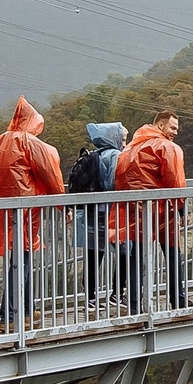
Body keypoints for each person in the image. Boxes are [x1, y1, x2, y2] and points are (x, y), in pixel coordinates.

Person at [0, 97, 64, 325]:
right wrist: (63, 205)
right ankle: (10, 314)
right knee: (21, 262)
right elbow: (50, 175)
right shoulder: (29, 142)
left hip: (2, 210)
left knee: (20, 259)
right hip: (24, 212)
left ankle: (25, 309)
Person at [113, 110, 188, 312]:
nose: (175, 132)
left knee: (137, 257)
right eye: (173, 127)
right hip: (164, 210)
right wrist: (181, 210)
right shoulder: (168, 147)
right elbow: (176, 182)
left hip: (137, 210)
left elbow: (120, 179)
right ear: (161, 126)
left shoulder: (130, 148)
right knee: (173, 254)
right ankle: (178, 300)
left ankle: (135, 304)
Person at [69, 122, 127, 307]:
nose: (125, 143)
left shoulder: (95, 155)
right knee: (126, 252)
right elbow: (113, 183)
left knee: (93, 255)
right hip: (111, 213)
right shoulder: (115, 156)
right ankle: (118, 293)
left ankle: (91, 297)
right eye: (123, 138)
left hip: (93, 212)